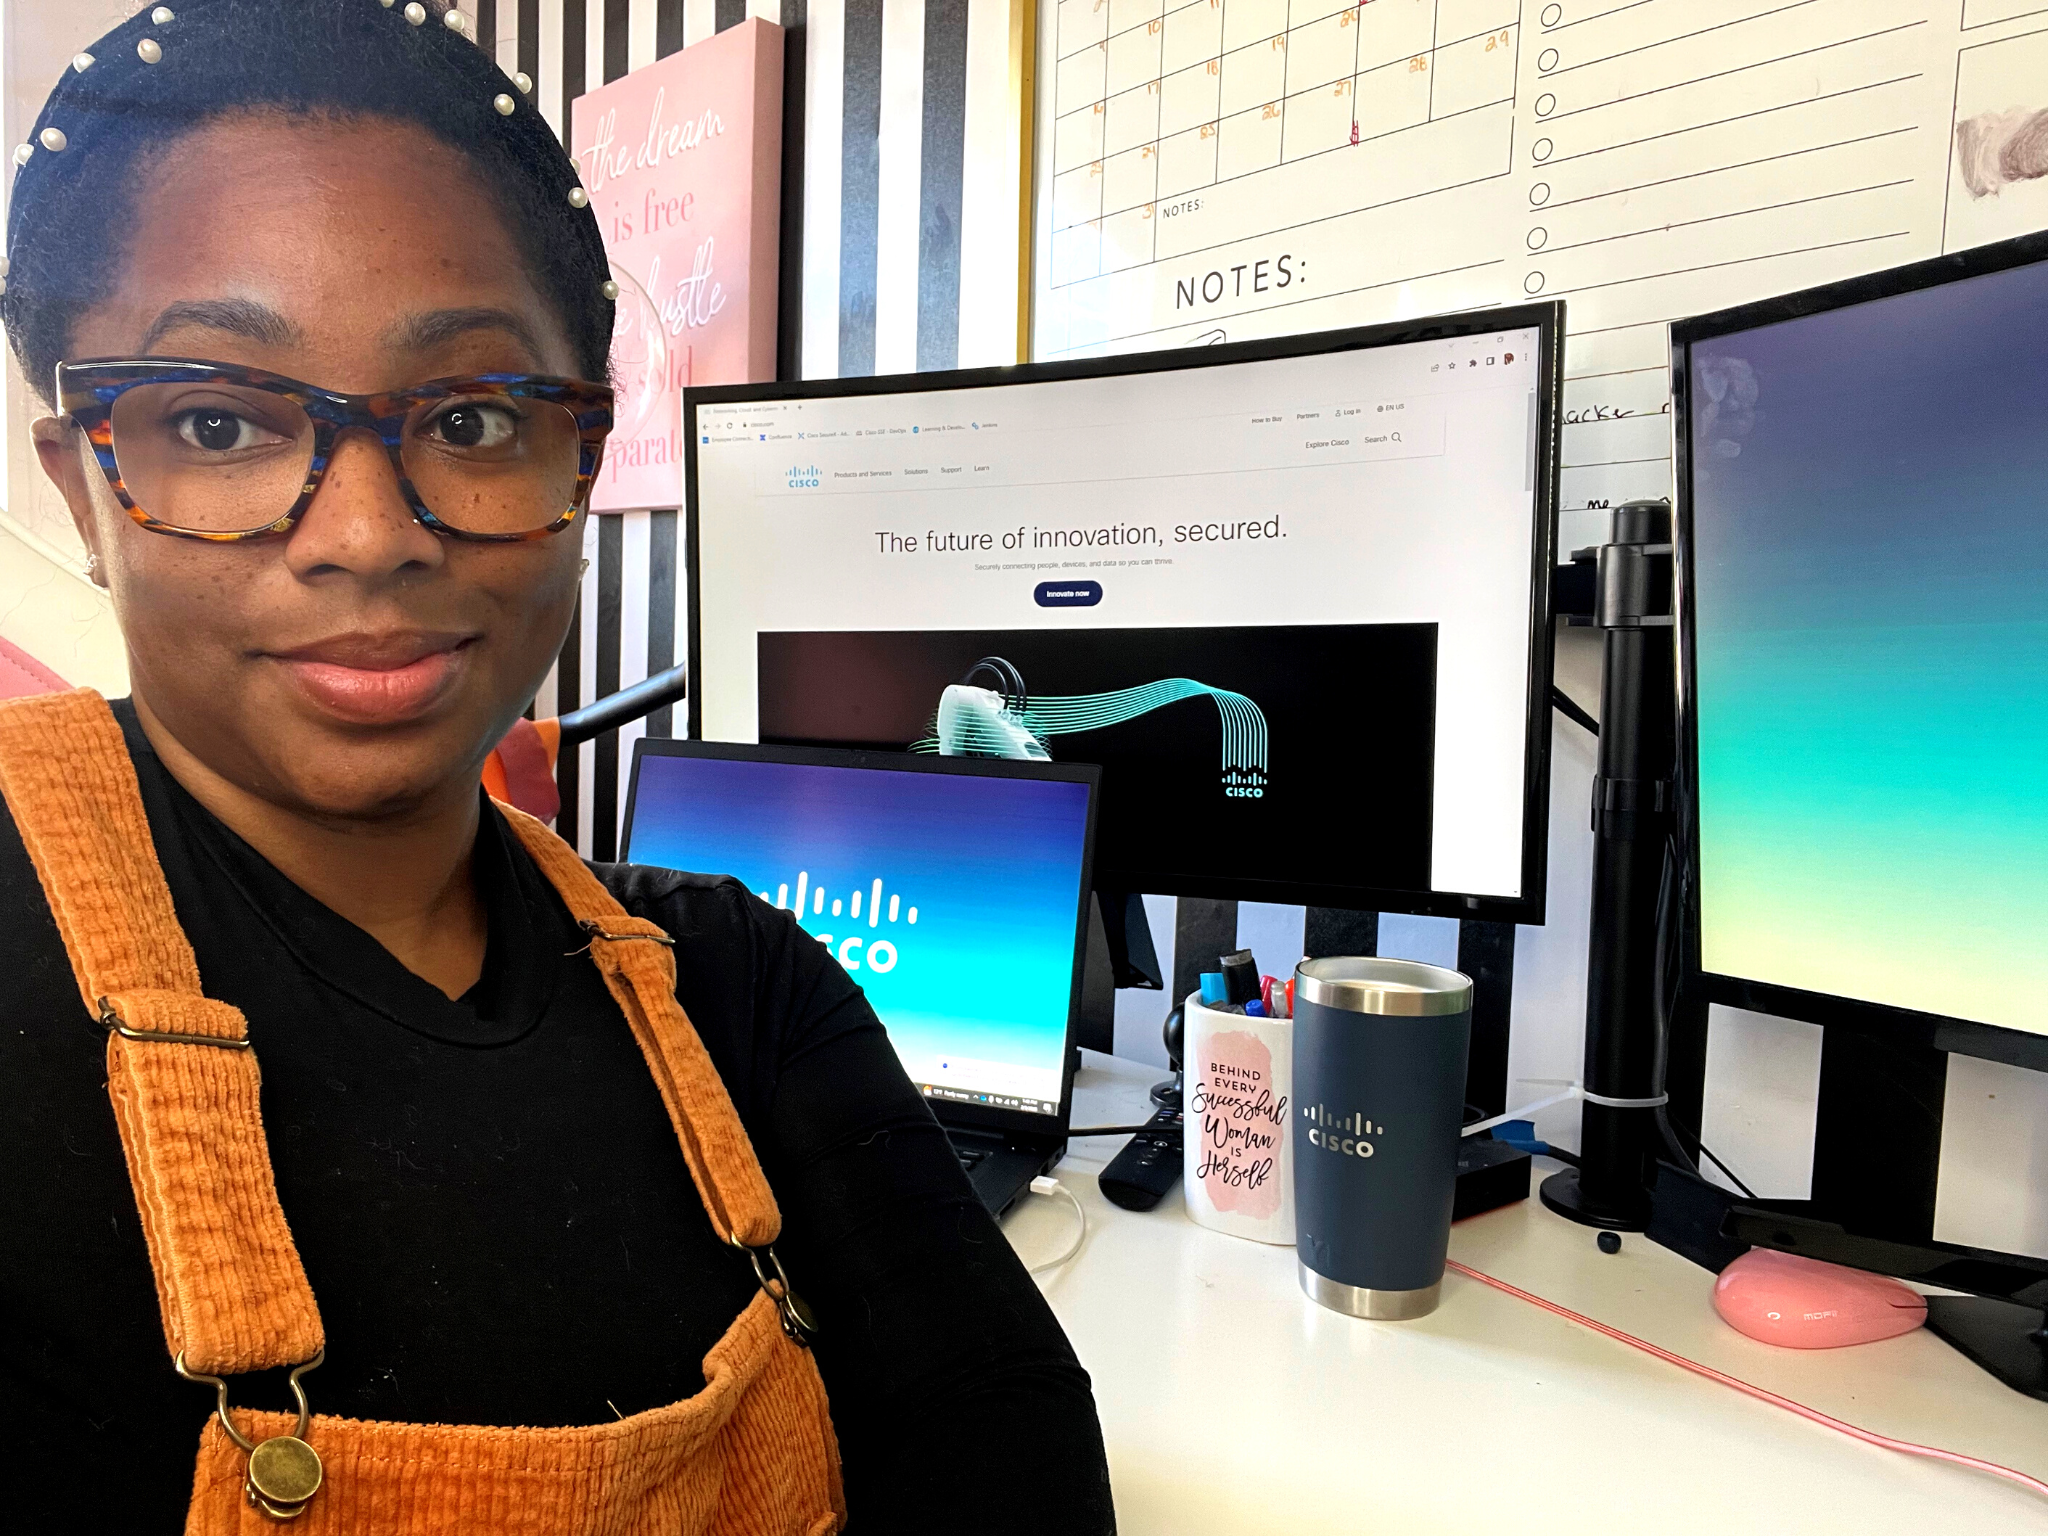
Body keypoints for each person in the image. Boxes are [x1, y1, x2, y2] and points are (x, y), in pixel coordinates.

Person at [0, 2, 1115, 1530]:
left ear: (578, 457)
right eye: (219, 420)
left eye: (469, 417)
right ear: (84, 483)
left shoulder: (741, 990)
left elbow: (1008, 1457)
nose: (372, 532)